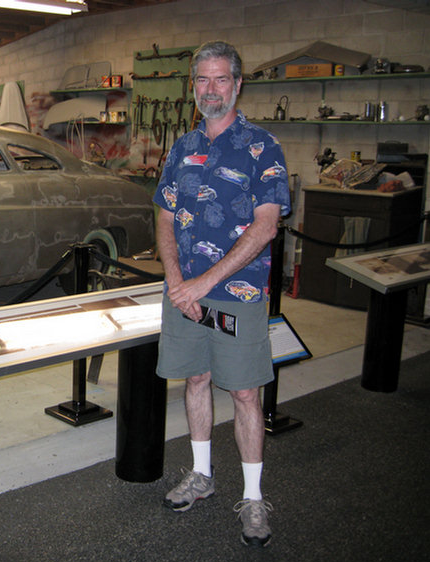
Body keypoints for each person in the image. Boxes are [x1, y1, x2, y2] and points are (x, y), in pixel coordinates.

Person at [153, 40, 290, 548]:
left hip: (236, 292)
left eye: (220, 80)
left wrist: (202, 285)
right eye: (202, 81)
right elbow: (164, 215)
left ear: (237, 84)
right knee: (196, 380)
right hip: (184, 291)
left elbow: (266, 227)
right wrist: (175, 282)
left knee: (246, 392)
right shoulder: (183, 147)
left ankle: (253, 497)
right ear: (195, 86)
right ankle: (202, 475)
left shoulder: (262, 147)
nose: (211, 90)